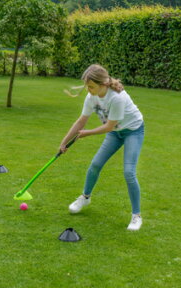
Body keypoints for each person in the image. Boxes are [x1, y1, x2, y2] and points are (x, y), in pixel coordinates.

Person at [59, 64, 145, 231]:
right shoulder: (92, 97)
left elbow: (109, 127)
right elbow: (81, 121)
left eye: (91, 86)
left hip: (133, 131)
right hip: (115, 132)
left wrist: (87, 133)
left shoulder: (117, 98)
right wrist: (64, 142)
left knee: (129, 172)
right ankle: (85, 197)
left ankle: (136, 216)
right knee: (95, 165)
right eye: (87, 86)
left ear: (103, 84)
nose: (88, 90)